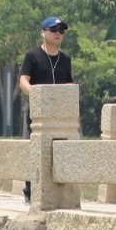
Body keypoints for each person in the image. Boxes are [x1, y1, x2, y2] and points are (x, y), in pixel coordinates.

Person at [18, 17, 73, 202]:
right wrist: (35, 94)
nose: (58, 33)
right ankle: (30, 190)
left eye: (61, 30)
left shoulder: (65, 59)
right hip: (38, 113)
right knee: (35, 150)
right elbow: (23, 80)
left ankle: (58, 191)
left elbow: (69, 85)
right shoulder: (32, 56)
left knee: (59, 152)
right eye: (53, 29)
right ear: (43, 32)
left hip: (60, 116)